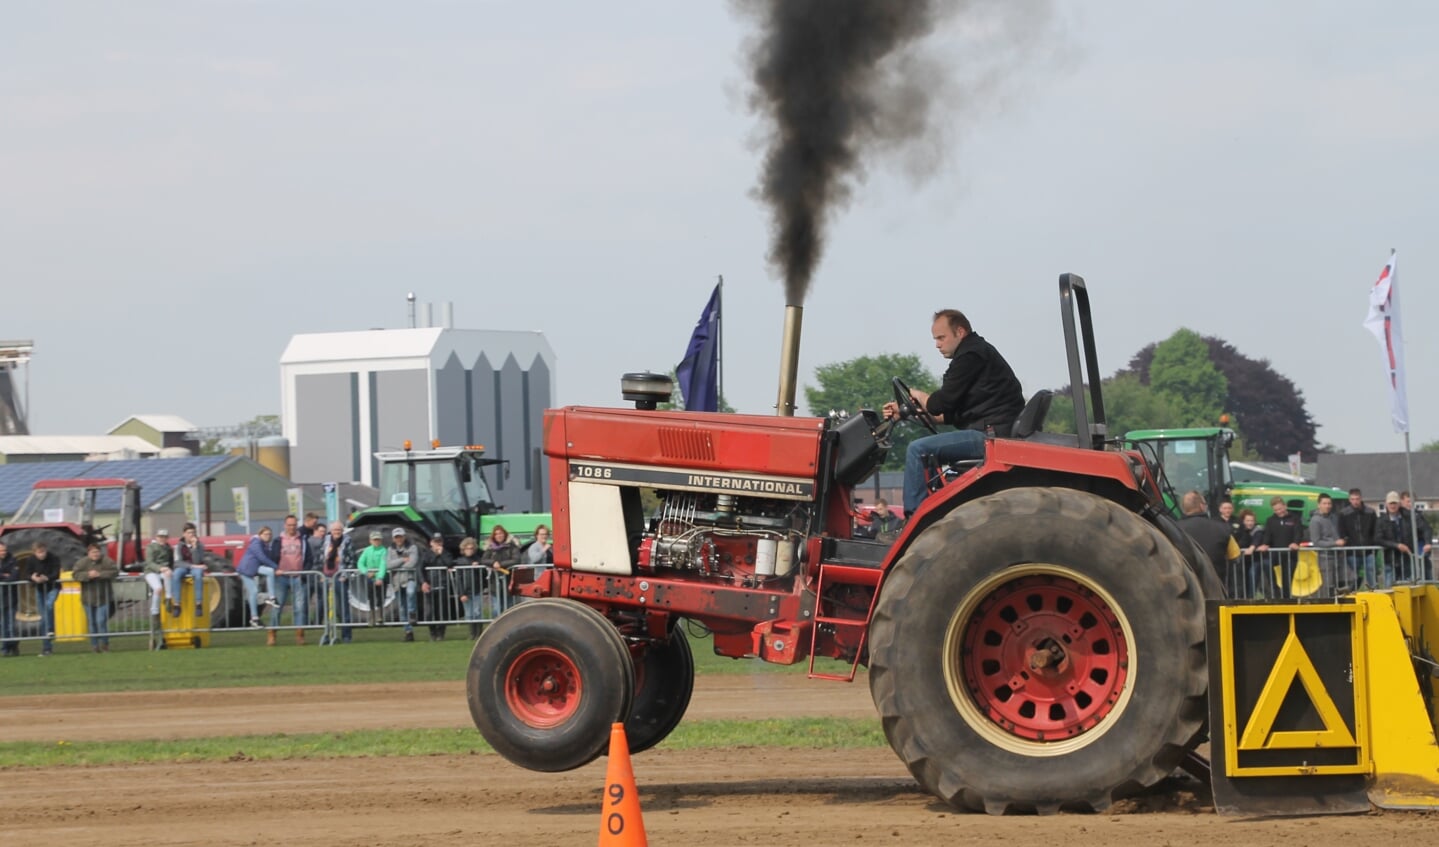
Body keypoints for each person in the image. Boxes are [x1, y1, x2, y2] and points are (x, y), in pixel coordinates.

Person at [881, 309, 1025, 516]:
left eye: (941, 337)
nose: (937, 344)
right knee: (925, 450)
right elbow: (946, 414)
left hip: (990, 435)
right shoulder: (975, 354)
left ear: (960, 332)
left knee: (917, 449)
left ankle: (914, 518)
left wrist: (917, 394)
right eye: (935, 339)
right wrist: (905, 413)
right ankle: (933, 510)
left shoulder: (971, 356)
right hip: (990, 430)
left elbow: (938, 404)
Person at [1177, 490, 1239, 586]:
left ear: (1184, 508)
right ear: (1202, 506)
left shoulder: (1173, 529)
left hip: (1185, 588)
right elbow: (1235, 555)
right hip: (1215, 587)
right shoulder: (1222, 528)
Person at [270, 514, 313, 646]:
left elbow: (309, 558)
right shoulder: (278, 540)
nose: (291, 527)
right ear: (285, 525)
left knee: (299, 608)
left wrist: (304, 573)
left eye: (294, 525)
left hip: (298, 577)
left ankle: (300, 635)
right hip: (281, 578)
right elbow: (272, 557)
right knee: (277, 607)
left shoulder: (303, 540)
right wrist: (275, 569)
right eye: (289, 525)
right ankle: (272, 634)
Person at [71, 543, 119, 653]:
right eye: (93, 552)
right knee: (92, 623)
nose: (95, 554)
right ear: (88, 553)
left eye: (97, 552)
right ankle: (94, 646)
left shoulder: (106, 561)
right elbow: (75, 574)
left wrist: (100, 574)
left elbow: (115, 571)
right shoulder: (82, 562)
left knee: (101, 621)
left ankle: (105, 644)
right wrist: (88, 575)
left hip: (103, 597)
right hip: (87, 598)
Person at [1257, 496, 1303, 598]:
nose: (1279, 512)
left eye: (1280, 509)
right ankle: (1275, 589)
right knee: (1265, 564)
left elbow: (1298, 533)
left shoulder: (1295, 518)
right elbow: (1267, 535)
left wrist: (1296, 543)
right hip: (1275, 554)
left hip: (1290, 555)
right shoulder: (1270, 520)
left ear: (1285, 506)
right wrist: (1265, 544)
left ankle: (1286, 600)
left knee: (1287, 580)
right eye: (1276, 510)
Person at [1376, 490, 1425, 586]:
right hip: (1390, 559)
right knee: (1390, 589)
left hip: (1407, 558)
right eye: (1391, 503)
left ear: (1399, 504)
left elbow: (1423, 529)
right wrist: (1397, 545)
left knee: (1409, 587)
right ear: (1386, 504)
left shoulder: (1409, 518)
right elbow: (1378, 539)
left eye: (1395, 503)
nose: (1393, 506)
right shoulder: (1381, 521)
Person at [236, 527, 280, 630]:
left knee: (255, 591)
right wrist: (276, 567)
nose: (268, 536)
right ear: (260, 534)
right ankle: (270, 598)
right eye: (265, 534)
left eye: (269, 534)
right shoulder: (256, 543)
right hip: (246, 569)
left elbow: (267, 557)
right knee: (254, 591)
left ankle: (255, 617)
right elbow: (262, 558)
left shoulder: (264, 544)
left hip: (253, 568)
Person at [24, 540, 62, 656]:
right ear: (35, 552)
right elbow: (26, 573)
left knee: (49, 606)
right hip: (39, 589)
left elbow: (56, 573)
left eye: (43, 552)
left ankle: (51, 629)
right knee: (43, 617)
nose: (42, 554)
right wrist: (33, 578)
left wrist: (47, 578)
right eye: (39, 553)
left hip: (52, 587)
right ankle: (47, 648)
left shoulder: (54, 558)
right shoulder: (31, 560)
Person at [315, 522, 350, 645]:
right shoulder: (325, 542)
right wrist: (320, 574)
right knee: (326, 606)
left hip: (340, 577)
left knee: (343, 607)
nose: (337, 531)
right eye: (335, 529)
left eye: (339, 529)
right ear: (331, 531)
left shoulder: (347, 542)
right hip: (325, 577)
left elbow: (351, 560)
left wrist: (346, 575)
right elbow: (319, 558)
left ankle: (346, 635)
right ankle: (327, 633)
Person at [1308, 493, 1349, 592]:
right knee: (1328, 586)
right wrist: (1335, 543)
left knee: (1349, 581)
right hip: (1325, 558)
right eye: (1324, 503)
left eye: (1329, 503)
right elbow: (1316, 542)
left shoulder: (1334, 517)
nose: (1327, 506)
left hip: (1338, 556)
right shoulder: (1315, 521)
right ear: (1319, 505)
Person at [1338, 488, 1378, 589]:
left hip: (1369, 551)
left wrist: (1374, 547)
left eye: (1357, 499)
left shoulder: (1370, 512)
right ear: (1349, 500)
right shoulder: (1343, 514)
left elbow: (1375, 531)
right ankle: (1354, 596)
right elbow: (1341, 532)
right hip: (1352, 552)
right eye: (1353, 499)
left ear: (1361, 498)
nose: (1355, 501)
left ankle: (1374, 593)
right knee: (1353, 579)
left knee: (1371, 576)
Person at [166, 523, 208, 619]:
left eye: (193, 532)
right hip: (184, 566)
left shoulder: (200, 545)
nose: (192, 535)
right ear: (184, 534)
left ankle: (198, 604)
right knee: (176, 574)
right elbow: (177, 562)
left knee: (198, 575)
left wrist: (194, 548)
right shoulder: (179, 546)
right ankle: (177, 604)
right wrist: (192, 565)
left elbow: (198, 560)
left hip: (196, 567)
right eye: (189, 533)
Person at [388, 527, 421, 641]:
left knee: (410, 592)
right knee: (402, 607)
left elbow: (412, 562)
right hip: (396, 581)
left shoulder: (412, 547)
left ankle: (412, 613)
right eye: (396, 537)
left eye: (400, 536)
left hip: (409, 577)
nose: (399, 539)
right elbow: (388, 565)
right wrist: (402, 560)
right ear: (393, 538)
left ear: (404, 537)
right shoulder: (390, 549)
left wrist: (398, 566)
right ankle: (408, 631)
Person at [419, 533, 452, 641]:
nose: (438, 544)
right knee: (429, 612)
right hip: (430, 585)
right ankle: (432, 633)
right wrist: (423, 582)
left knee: (442, 611)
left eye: (439, 541)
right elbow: (420, 568)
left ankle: (441, 633)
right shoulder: (426, 554)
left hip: (443, 585)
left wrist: (441, 554)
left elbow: (449, 563)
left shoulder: (446, 553)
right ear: (431, 543)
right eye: (435, 542)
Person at [482, 525, 521, 612]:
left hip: (509, 580)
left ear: (504, 534)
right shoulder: (490, 548)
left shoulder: (512, 546)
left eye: (500, 533)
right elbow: (484, 560)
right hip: (495, 582)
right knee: (497, 609)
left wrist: (500, 564)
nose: (499, 536)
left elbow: (516, 560)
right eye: (496, 534)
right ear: (494, 536)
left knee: (509, 608)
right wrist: (493, 563)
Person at [453, 536, 486, 639]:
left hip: (476, 590)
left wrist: (478, 567)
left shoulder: (479, 560)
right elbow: (458, 579)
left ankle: (479, 633)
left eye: (471, 548)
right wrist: (461, 593)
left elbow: (484, 575)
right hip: (465, 592)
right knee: (469, 614)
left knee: (477, 612)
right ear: (463, 549)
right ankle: (472, 634)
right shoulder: (460, 562)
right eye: (467, 548)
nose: (469, 550)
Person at [355, 530, 389, 627]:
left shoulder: (384, 551)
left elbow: (383, 565)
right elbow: (360, 563)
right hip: (370, 577)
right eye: (374, 540)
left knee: (381, 596)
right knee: (370, 596)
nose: (376, 541)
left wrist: (379, 577)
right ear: (370, 541)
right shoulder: (367, 550)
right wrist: (366, 572)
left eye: (378, 540)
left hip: (381, 577)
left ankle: (380, 616)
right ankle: (372, 617)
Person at [142, 528, 174, 628]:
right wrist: (160, 568)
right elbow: (149, 562)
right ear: (156, 537)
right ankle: (154, 612)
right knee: (158, 588)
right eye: (160, 537)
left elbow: (171, 562)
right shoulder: (150, 547)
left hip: (163, 571)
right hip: (151, 571)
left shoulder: (169, 548)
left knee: (169, 573)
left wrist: (169, 569)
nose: (162, 539)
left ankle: (169, 598)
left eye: (164, 537)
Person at [1400, 492, 1434, 581]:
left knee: (1426, 572)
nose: (1410, 504)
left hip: (1419, 546)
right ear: (1402, 501)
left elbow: (1426, 529)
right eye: (1408, 501)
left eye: (1412, 502)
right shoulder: (1399, 515)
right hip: (1405, 550)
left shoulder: (1417, 515)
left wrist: (1427, 542)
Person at [1233, 509, 1265, 599]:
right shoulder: (1239, 530)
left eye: (1252, 521)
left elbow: (1257, 538)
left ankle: (1250, 598)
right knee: (1242, 579)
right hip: (1242, 560)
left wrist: (1252, 547)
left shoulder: (1258, 529)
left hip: (1255, 559)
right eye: (1247, 520)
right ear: (1243, 521)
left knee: (1252, 575)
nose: (1250, 523)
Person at [0, 541, 19, 657]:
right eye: (1, 551)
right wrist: (4, 575)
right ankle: (5, 648)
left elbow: (14, 576)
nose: (3, 553)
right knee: (2, 625)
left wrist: (4, 577)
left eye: (4, 550)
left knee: (11, 624)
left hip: (11, 597)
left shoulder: (12, 559)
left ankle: (13, 647)